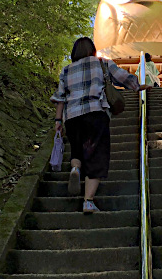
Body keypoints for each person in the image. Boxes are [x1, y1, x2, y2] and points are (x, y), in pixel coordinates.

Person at [52, 37, 151, 214]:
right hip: (95, 113)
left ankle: (75, 167)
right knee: (96, 155)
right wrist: (139, 85)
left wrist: (58, 121)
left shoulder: (66, 70)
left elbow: (60, 97)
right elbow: (122, 76)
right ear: (92, 50)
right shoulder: (101, 63)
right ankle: (88, 201)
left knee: (76, 149)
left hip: (72, 117)